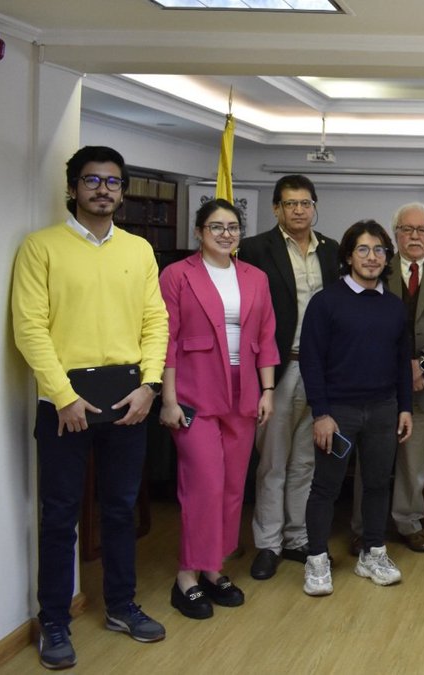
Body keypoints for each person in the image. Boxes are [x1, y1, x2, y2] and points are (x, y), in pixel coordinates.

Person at [12, 145, 169, 669]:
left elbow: (155, 321)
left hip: (129, 398)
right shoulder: (41, 247)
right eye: (92, 180)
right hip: (65, 403)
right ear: (73, 187)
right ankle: (55, 620)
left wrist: (150, 386)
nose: (103, 190)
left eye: (112, 181)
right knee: (59, 516)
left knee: (120, 510)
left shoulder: (139, 250)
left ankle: (121, 606)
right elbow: (30, 328)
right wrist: (63, 396)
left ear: (122, 192)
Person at [158, 199, 279, 619]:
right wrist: (168, 399)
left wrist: (267, 390)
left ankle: (213, 568)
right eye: (216, 226)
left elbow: (266, 336)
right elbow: (167, 339)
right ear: (199, 231)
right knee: (204, 485)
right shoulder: (177, 275)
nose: (226, 234)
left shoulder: (255, 277)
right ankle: (186, 577)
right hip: (195, 391)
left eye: (233, 227)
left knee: (231, 487)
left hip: (244, 391)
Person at [298, 220, 414, 596]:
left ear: (387, 257)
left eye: (379, 250)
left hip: (383, 409)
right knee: (326, 487)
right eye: (363, 249)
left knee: (378, 484)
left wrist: (405, 408)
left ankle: (372, 553)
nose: (371, 257)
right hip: (338, 413)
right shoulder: (325, 302)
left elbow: (403, 362)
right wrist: (321, 414)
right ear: (348, 256)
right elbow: (311, 362)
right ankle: (317, 559)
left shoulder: (394, 307)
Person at [237, 175, 339, 581]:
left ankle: (298, 538)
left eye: (305, 203)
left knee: (305, 461)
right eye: (290, 204)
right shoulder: (254, 249)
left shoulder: (331, 251)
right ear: (276, 208)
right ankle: (268, 543)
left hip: (321, 370)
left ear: (315, 206)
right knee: (273, 462)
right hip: (276, 368)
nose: (299, 210)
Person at [349, 203, 424, 555]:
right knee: (372, 460)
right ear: (395, 234)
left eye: (422, 230)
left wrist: (422, 366)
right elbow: (365, 328)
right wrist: (401, 370)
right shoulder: (376, 271)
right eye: (407, 229)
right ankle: (363, 527)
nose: (415, 236)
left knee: (414, 463)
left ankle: (408, 523)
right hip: (380, 385)